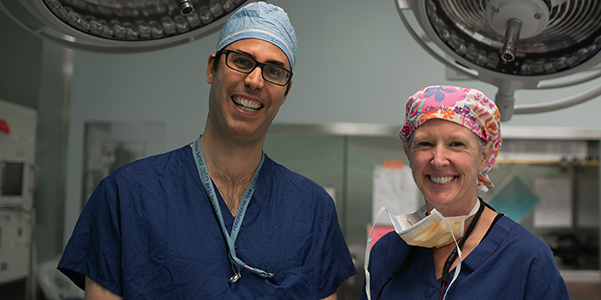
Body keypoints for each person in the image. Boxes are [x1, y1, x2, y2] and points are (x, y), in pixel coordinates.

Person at [58, 2, 356, 299]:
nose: (254, 80)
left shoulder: (313, 209)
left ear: (286, 91)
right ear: (211, 68)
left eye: (274, 71)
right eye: (241, 61)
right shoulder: (125, 196)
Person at [362, 85, 569, 300]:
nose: (438, 160)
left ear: (484, 156)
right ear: (408, 153)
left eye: (456, 144)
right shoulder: (386, 254)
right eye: (425, 144)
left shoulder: (526, 257)